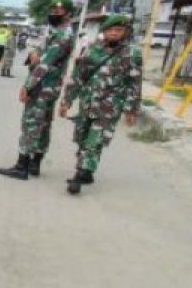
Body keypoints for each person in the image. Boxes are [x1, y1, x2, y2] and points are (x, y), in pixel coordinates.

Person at [59, 14, 143, 194]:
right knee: (82, 137)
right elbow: (78, 77)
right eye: (110, 30)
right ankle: (88, 172)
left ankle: (79, 176)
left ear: (125, 32)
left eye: (118, 30)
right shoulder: (91, 50)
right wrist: (66, 101)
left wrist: (131, 110)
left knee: (94, 141)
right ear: (104, 32)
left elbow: (134, 83)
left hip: (109, 108)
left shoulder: (132, 53)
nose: (114, 33)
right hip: (87, 103)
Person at [0, 0, 78, 179]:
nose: (53, 14)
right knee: (43, 124)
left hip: (42, 85)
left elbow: (45, 64)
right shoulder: (58, 32)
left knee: (31, 123)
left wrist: (27, 86)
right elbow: (41, 54)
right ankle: (35, 164)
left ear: (69, 14)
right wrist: (35, 53)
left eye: (58, 12)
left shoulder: (63, 36)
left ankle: (21, 166)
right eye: (53, 11)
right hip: (50, 86)